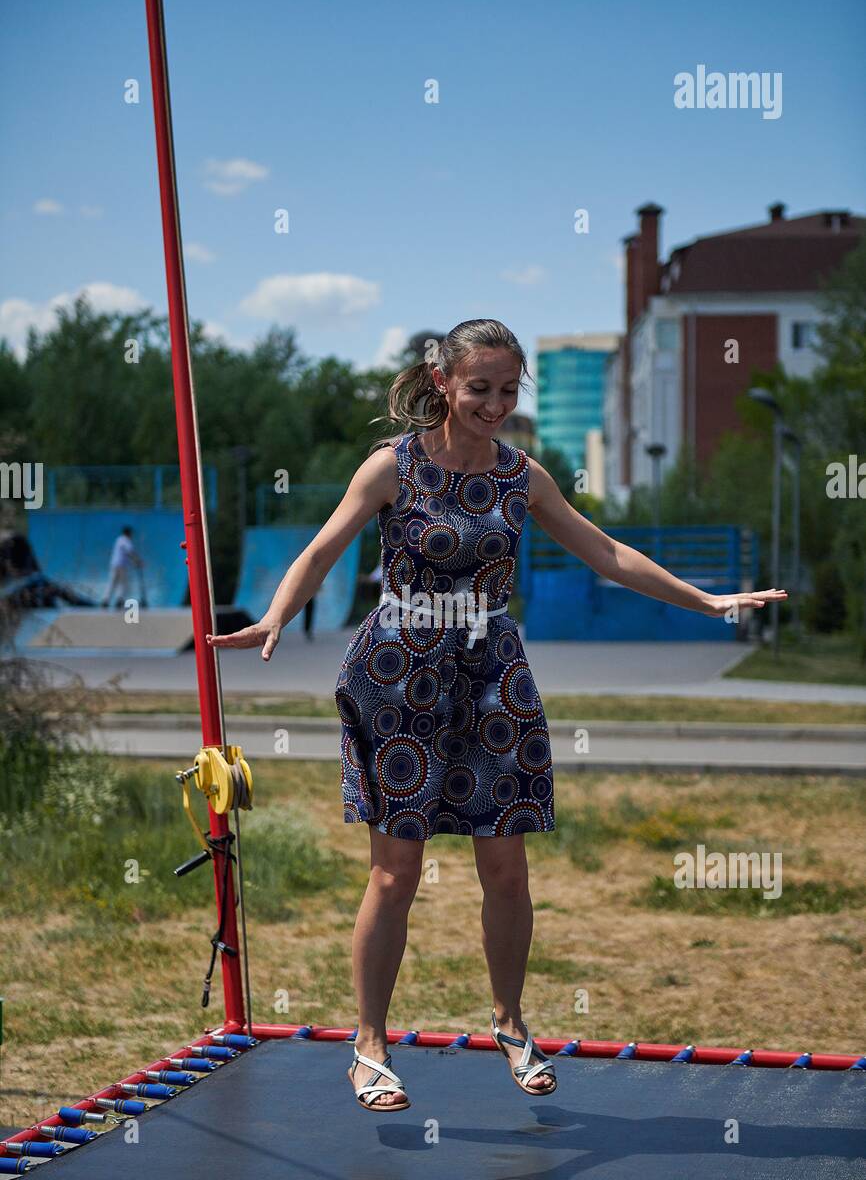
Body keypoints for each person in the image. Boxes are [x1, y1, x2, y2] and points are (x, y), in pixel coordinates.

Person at [206, 318, 786, 1112]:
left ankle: (509, 1022)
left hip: (491, 680)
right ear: (442, 381)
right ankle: (369, 1044)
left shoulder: (524, 477)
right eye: (480, 387)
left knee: (506, 869)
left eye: (509, 390)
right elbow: (320, 551)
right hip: (399, 674)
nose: (495, 403)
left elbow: (607, 552)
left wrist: (706, 598)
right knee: (395, 871)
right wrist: (276, 616)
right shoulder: (392, 467)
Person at [102, 526, 143, 608]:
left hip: (114, 564)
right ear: (128, 533)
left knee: (112, 582)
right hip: (121, 565)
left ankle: (106, 600)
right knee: (122, 584)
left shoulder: (119, 539)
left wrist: (135, 561)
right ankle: (119, 600)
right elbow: (130, 551)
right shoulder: (125, 540)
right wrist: (137, 560)